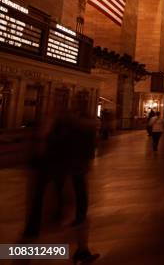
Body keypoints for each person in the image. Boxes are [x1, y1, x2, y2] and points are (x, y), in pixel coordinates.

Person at [23, 107, 99, 263]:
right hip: (69, 181)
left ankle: (22, 258)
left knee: (34, 223)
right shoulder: (80, 133)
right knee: (78, 216)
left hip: (52, 180)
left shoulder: (54, 133)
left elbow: (37, 157)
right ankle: (80, 251)